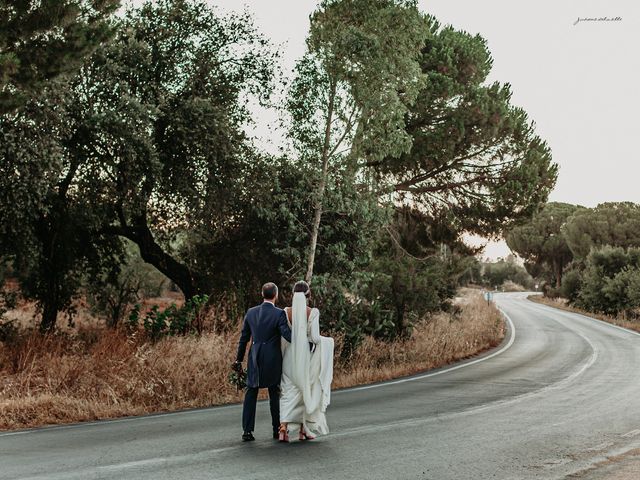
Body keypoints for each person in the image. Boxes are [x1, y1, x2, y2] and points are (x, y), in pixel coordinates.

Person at [234, 282, 292, 442]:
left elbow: (243, 339)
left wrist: (238, 359)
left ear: (262, 294)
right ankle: (276, 429)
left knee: (251, 392)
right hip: (272, 358)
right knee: (274, 392)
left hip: (254, 357)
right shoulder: (279, 314)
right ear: (276, 295)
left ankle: (247, 431)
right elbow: (287, 335)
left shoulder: (251, 312)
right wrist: (303, 341)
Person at [278, 281, 334, 442]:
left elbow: (285, 335)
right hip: (307, 358)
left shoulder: (286, 312)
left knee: (288, 391)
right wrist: (328, 341)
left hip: (289, 357)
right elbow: (315, 338)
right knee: (306, 391)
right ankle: (304, 430)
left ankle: (283, 428)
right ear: (308, 295)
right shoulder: (312, 312)